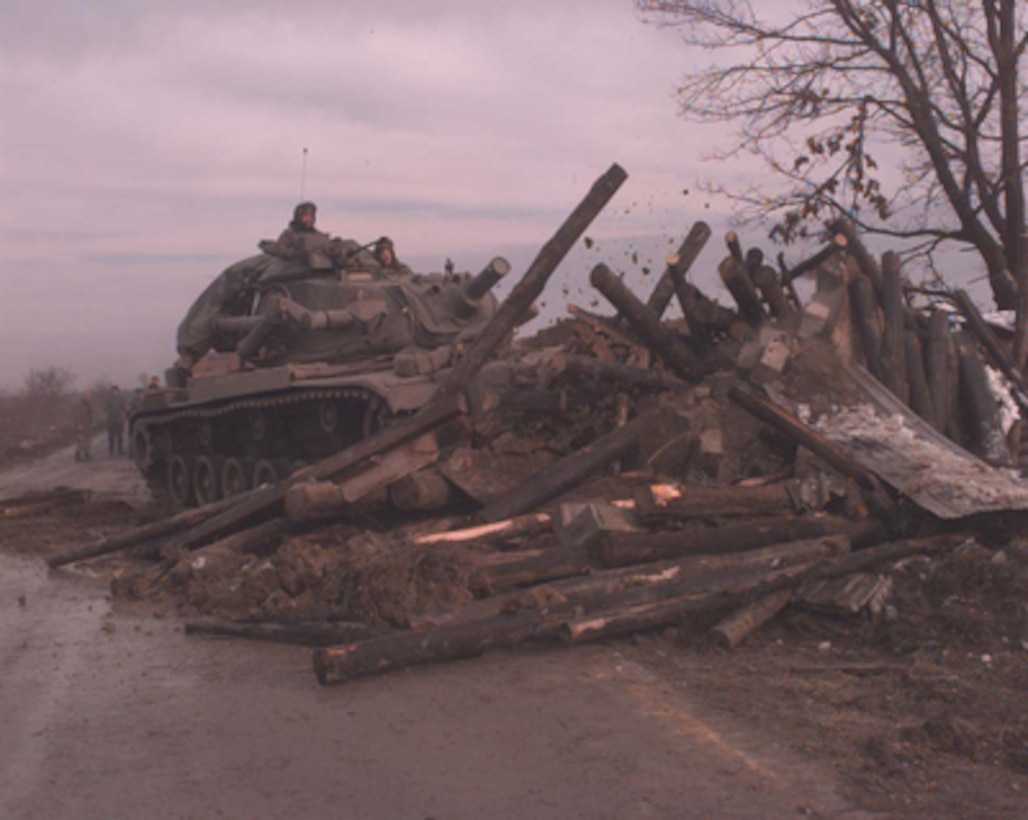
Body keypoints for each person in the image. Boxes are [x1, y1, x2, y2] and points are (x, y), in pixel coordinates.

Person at [106, 385, 127, 457]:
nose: (114, 393)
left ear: (118, 391)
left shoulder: (122, 399)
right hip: (111, 419)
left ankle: (120, 449)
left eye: (115, 391)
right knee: (111, 436)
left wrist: (125, 413)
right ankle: (111, 450)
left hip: (119, 419)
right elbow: (106, 409)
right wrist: (107, 416)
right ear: (111, 392)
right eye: (113, 391)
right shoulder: (109, 399)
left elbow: (125, 407)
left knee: (120, 435)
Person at [74, 391, 93, 462]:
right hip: (81, 425)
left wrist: (91, 422)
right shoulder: (80, 405)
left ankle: (86, 453)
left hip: (87, 424)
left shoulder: (89, 404)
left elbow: (90, 414)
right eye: (87, 396)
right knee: (80, 440)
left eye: (89, 396)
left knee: (88, 440)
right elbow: (77, 415)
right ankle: (77, 454)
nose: (88, 397)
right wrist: (79, 424)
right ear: (83, 396)